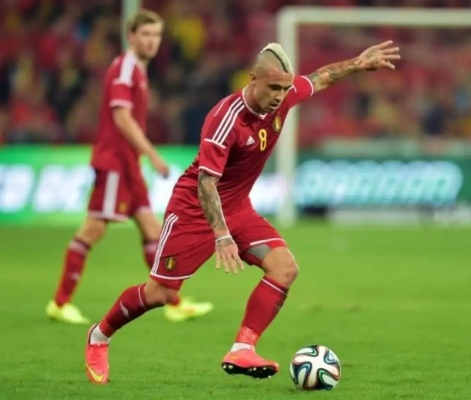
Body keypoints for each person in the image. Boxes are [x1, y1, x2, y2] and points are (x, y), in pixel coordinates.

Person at [84, 40, 400, 384]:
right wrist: (221, 235)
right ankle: (99, 335)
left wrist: (357, 63)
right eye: (273, 87)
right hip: (194, 210)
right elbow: (206, 183)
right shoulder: (225, 118)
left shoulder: (285, 96)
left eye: (285, 88)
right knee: (161, 294)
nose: (280, 96)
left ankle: (242, 348)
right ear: (253, 79)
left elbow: (320, 77)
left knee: (284, 268)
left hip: (237, 207)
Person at [47, 9, 213, 325]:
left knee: (153, 230)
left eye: (156, 35)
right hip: (115, 162)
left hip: (128, 165)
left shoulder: (137, 70)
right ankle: (60, 302)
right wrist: (152, 154)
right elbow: (121, 117)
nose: (151, 41)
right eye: (145, 34)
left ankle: (174, 302)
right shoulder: (125, 68)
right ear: (131, 37)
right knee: (92, 229)